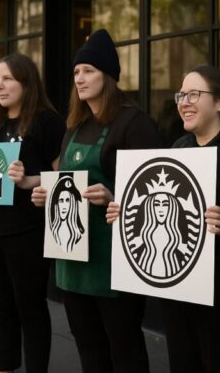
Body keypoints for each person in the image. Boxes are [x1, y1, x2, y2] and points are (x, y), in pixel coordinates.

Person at [107, 65, 220, 372]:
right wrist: (126, 213)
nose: (184, 102)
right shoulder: (178, 148)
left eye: (194, 94)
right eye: (181, 95)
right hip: (178, 294)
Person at [32, 28, 161, 373]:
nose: (80, 78)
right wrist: (48, 192)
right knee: (88, 347)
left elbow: (156, 194)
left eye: (89, 70)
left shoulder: (134, 124)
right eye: (76, 71)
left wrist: (114, 196)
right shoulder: (74, 126)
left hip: (114, 263)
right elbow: (66, 183)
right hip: (73, 261)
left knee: (125, 350)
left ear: (109, 75)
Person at [0, 53, 65, 373]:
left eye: (7, 79)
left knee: (30, 309)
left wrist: (29, 180)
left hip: (27, 232)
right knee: (1, 310)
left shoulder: (47, 121)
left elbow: (66, 178)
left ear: (26, 81)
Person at [48, 174, 85, 252]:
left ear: (73, 204)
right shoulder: (54, 233)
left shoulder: (79, 233)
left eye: (67, 200)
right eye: (61, 200)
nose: (64, 206)